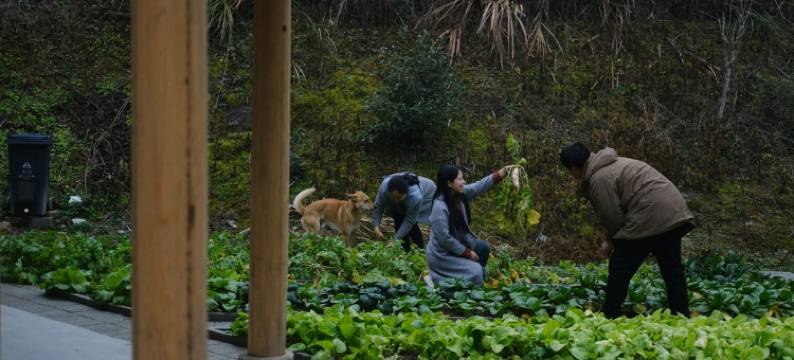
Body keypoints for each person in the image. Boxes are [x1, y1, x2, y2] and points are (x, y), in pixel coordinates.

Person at [560, 142, 694, 319]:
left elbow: (612, 217)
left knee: (620, 267)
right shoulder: (616, 163)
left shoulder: (599, 179)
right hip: (673, 212)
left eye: (570, 171)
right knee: (672, 269)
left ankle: (609, 315)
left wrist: (610, 241)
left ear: (574, 168)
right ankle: (682, 315)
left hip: (648, 215)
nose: (572, 176)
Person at [426, 164, 516, 286]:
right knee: (477, 272)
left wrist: (503, 172)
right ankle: (440, 280)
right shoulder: (439, 207)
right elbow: (444, 240)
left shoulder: (458, 194)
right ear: (449, 183)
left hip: (458, 245)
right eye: (460, 179)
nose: (464, 182)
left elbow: (479, 186)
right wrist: (467, 252)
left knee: (483, 248)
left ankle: (467, 274)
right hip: (442, 256)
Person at [372, 172, 437, 251]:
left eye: (399, 198)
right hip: (400, 187)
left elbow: (409, 220)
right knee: (398, 218)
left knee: (411, 225)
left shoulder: (415, 196)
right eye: (393, 197)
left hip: (428, 191)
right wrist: (376, 227)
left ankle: (419, 251)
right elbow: (378, 206)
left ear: (406, 193)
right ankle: (404, 251)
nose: (396, 200)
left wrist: (395, 240)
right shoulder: (384, 188)